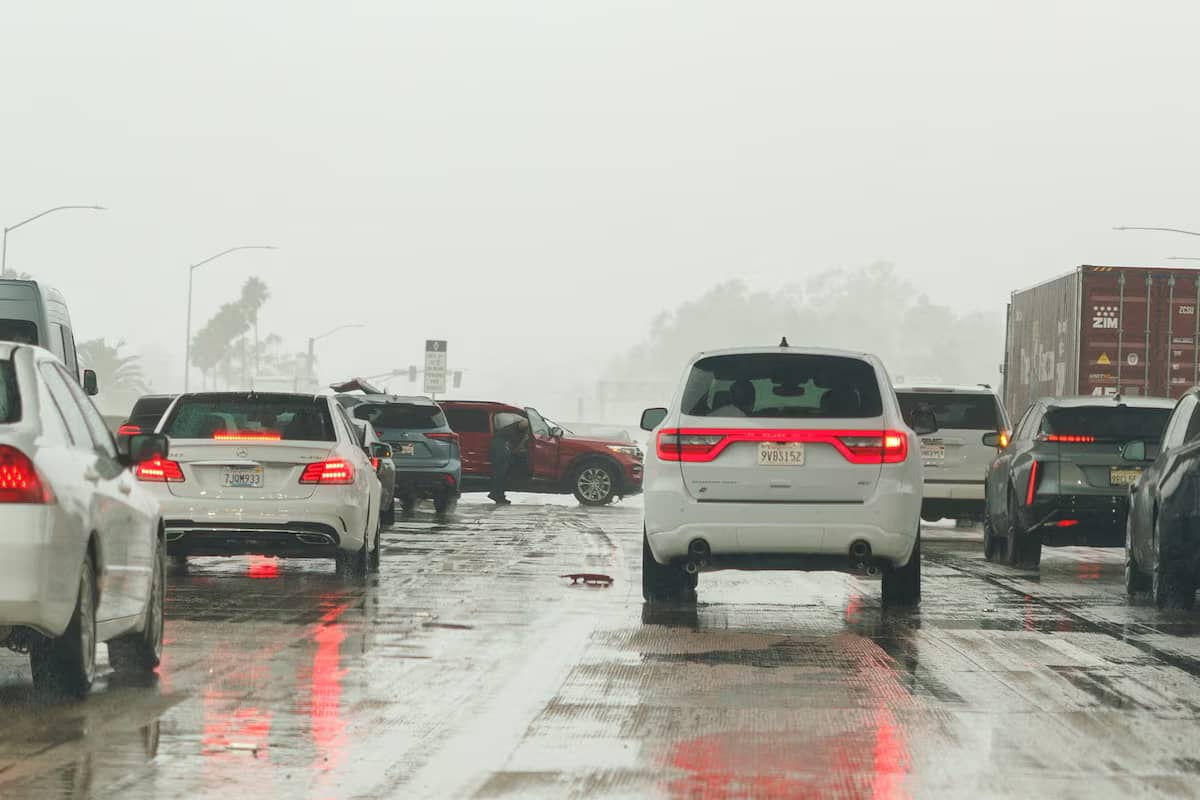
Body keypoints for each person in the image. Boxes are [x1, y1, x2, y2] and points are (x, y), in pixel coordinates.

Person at [489, 418, 529, 504]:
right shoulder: (515, 429)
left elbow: (515, 450)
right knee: (500, 472)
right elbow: (524, 423)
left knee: (503, 473)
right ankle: (495, 494)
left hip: (504, 448)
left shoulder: (518, 433)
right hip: (501, 447)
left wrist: (524, 440)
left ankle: (499, 496)